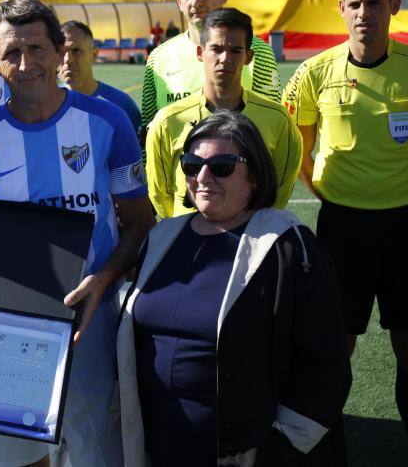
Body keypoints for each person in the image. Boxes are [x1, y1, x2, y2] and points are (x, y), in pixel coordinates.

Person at [0, 0, 154, 467]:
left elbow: (141, 221)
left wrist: (102, 281)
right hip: (9, 332)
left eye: (37, 48)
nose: (26, 64)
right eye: (11, 54)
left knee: (92, 454)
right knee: (10, 459)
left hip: (92, 324)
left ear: (60, 52)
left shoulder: (108, 122)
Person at [282, 0, 408, 467]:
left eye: (374, 2)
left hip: (407, 226)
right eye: (354, 3)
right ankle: (334, 458)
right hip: (341, 230)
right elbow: (302, 156)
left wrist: (398, 190)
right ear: (341, 10)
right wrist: (338, 194)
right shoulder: (313, 72)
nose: (364, 13)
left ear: (394, 7)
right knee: (338, 351)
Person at [117, 111, 351, 466]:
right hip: (160, 449)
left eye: (222, 166)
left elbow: (326, 364)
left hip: (247, 455)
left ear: (254, 175)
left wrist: (279, 447)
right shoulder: (162, 237)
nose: (203, 177)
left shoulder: (289, 247)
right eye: (192, 165)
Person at [146, 8, 301, 219]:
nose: (225, 58)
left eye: (235, 50)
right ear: (201, 53)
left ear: (248, 56)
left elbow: (279, 189)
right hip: (189, 240)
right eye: (216, 49)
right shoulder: (167, 120)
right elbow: (159, 193)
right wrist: (182, 230)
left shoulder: (278, 120)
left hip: (250, 238)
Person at [141, 0, 280, 140]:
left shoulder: (257, 51)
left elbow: (272, 125)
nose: (195, 1)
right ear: (179, 1)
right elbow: (148, 132)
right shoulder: (158, 57)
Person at [58, 20, 141, 132]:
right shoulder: (45, 105)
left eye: (76, 51)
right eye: (62, 52)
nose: (67, 59)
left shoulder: (121, 105)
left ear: (94, 55)